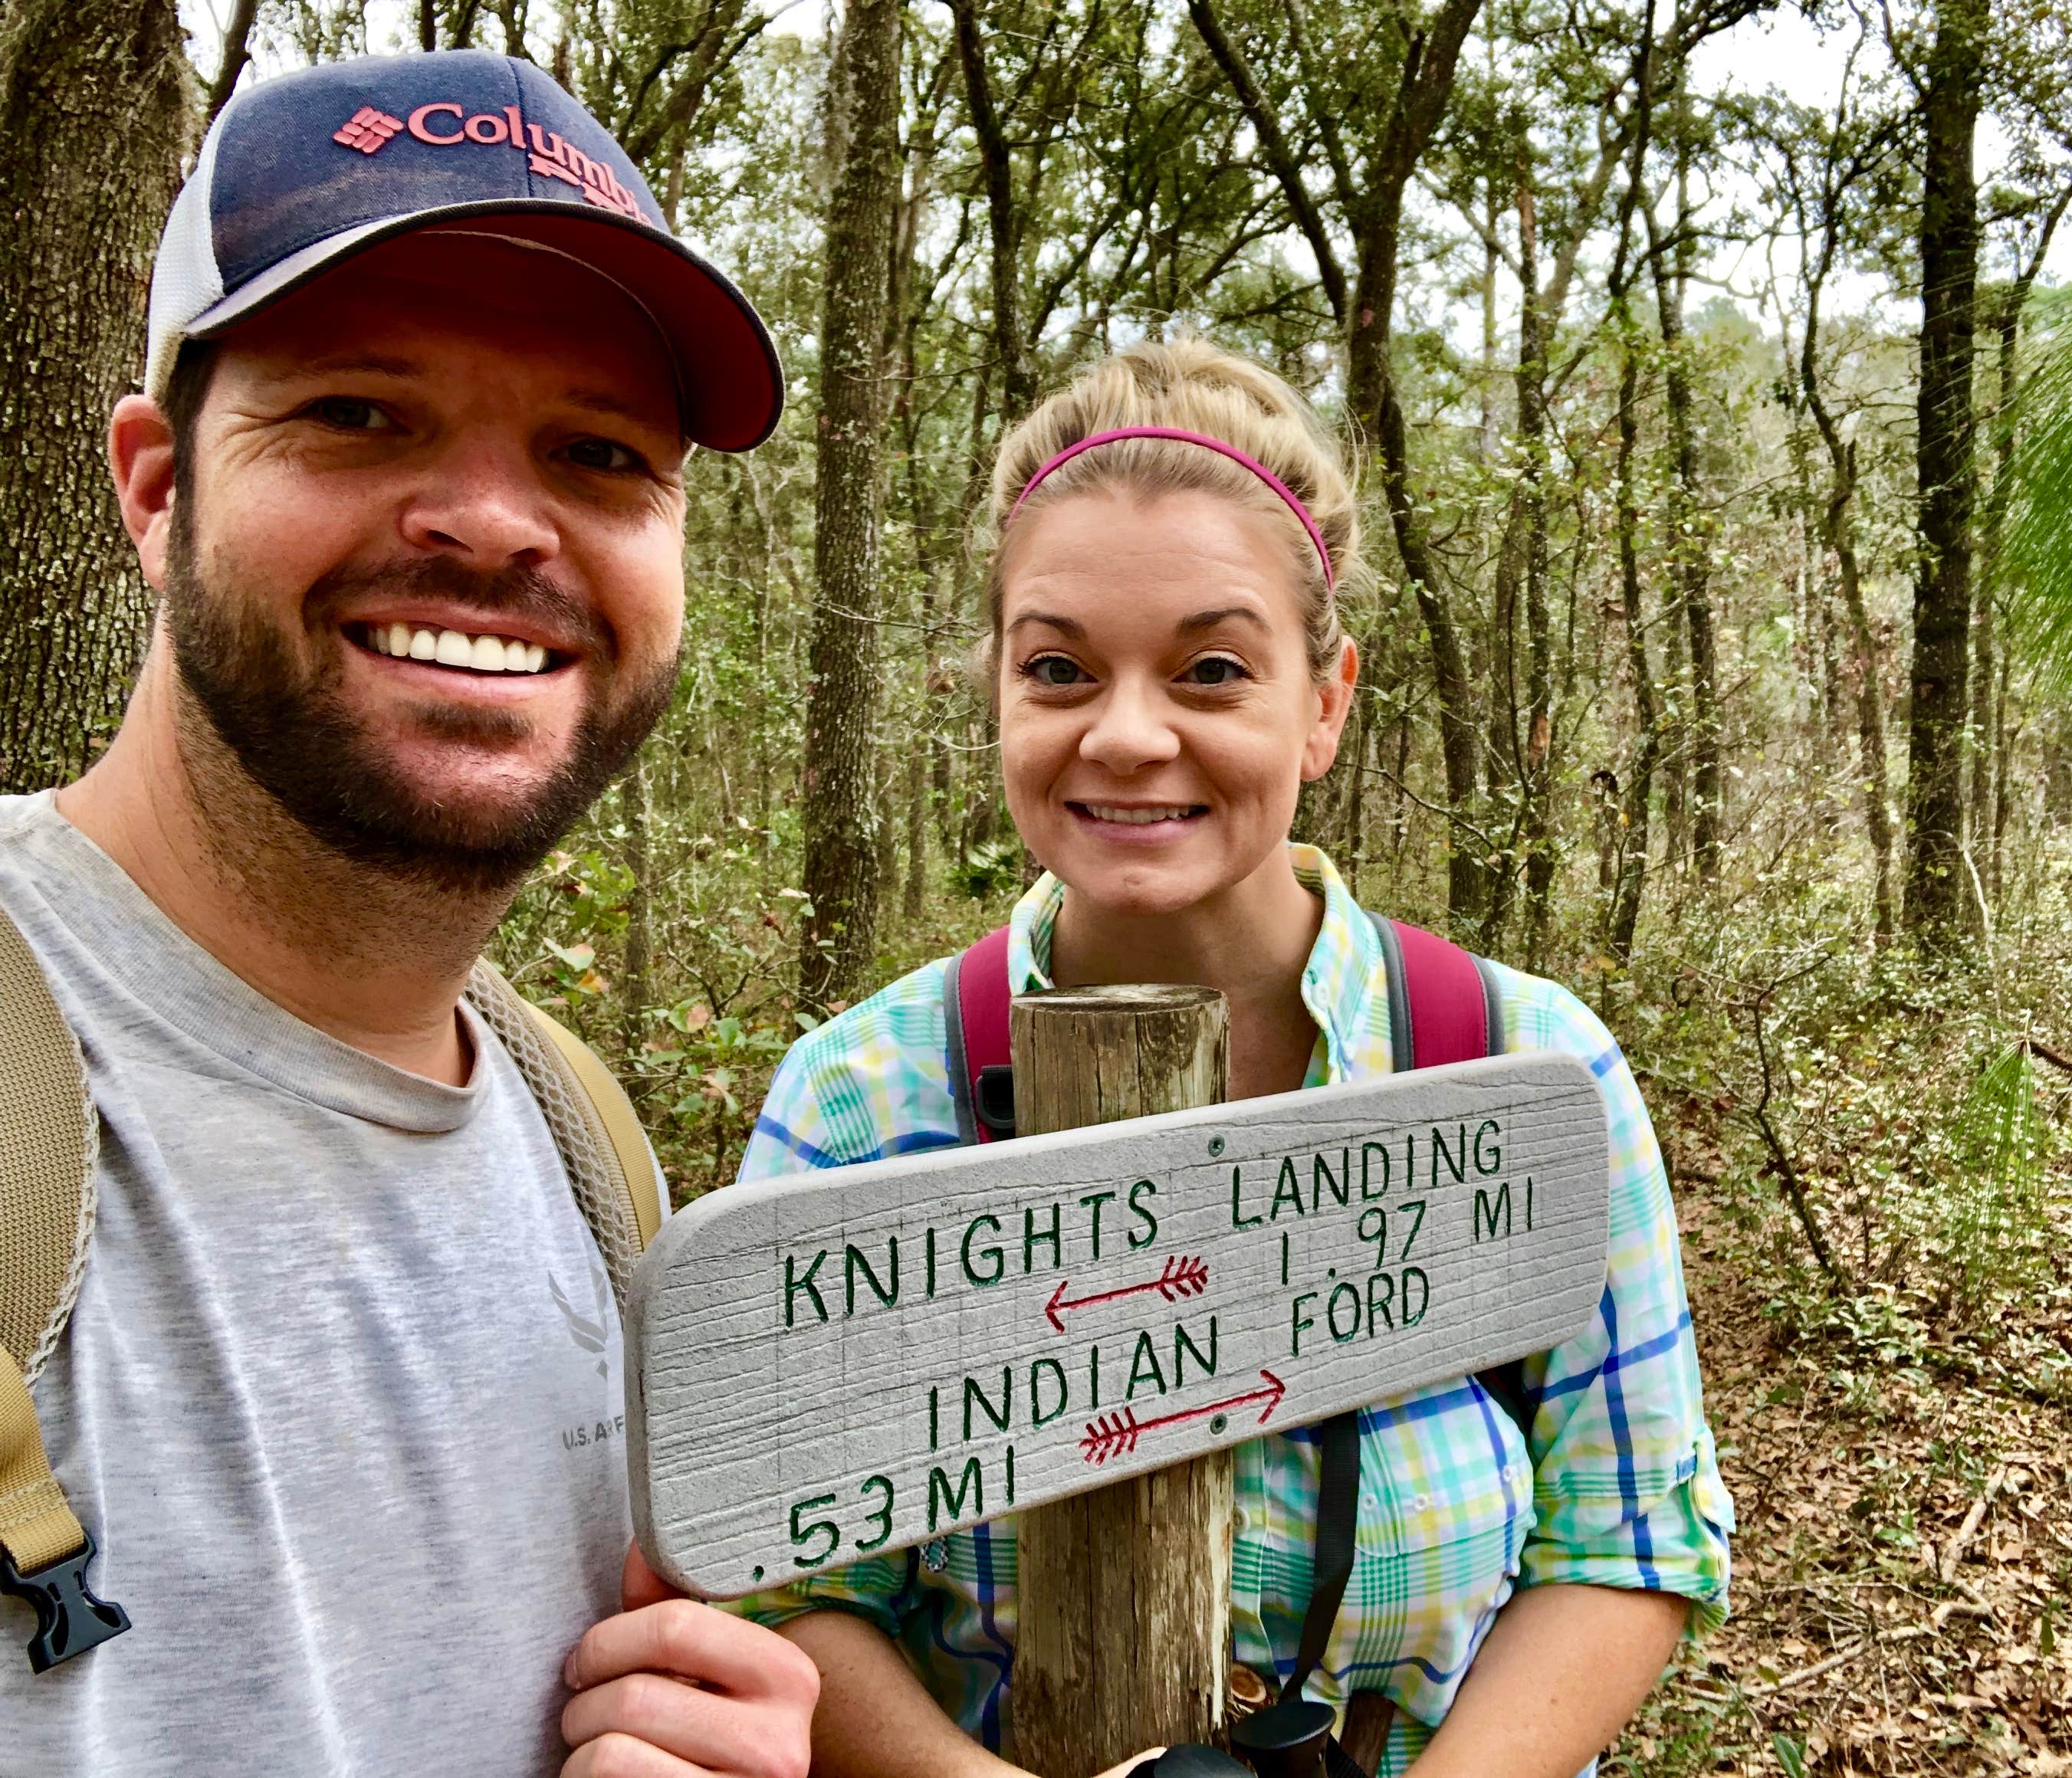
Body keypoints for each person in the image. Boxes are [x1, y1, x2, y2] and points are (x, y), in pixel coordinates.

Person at [726, 340, 1733, 1778]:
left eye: (1210, 670)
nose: (1129, 735)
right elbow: (792, 1594)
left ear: (1322, 704)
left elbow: (1625, 1537)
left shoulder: (1519, 1071)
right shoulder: (862, 1104)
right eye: (1060, 668)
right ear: (999, 694)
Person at [0, 51, 817, 1777]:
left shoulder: (594, 1163)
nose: (495, 524)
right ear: (157, 490)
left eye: (598, 455)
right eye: (359, 414)